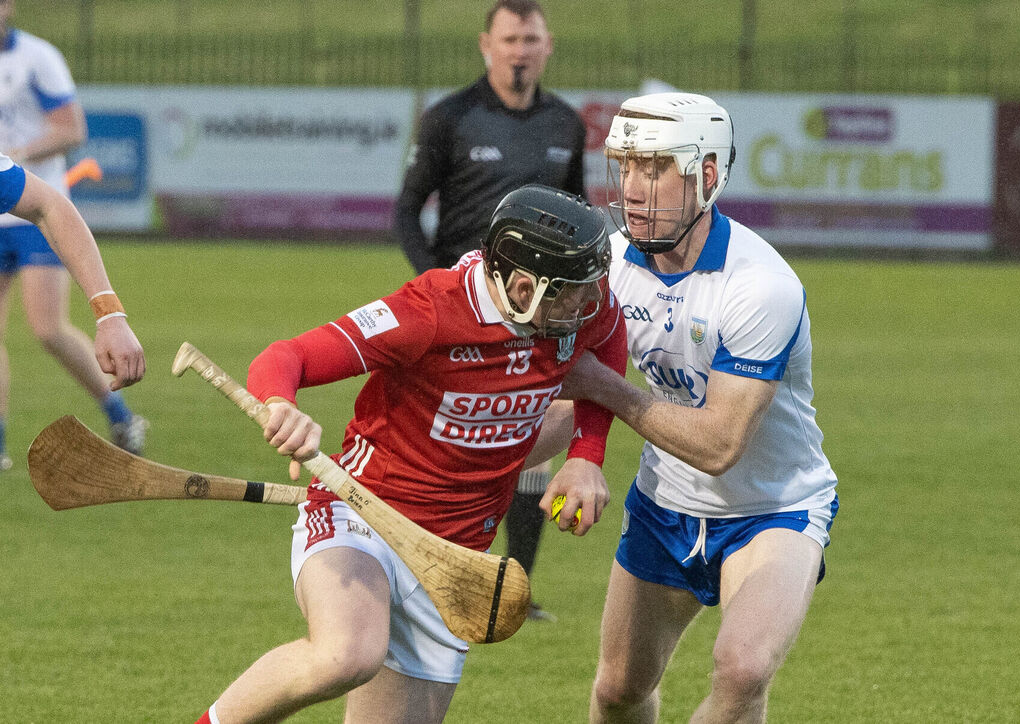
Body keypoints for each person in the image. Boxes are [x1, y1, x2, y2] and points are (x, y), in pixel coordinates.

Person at [193, 185, 626, 724]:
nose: (590, 303)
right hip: (360, 514)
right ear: (523, 285)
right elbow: (289, 356)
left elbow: (610, 342)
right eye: (575, 294)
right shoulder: (428, 312)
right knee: (346, 653)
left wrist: (587, 453)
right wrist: (281, 405)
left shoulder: (586, 306)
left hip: (456, 558)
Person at [542, 92, 841, 723]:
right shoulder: (610, 269)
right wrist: (457, 467)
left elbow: (719, 445)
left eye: (655, 168)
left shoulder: (760, 285)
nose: (634, 189)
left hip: (774, 509)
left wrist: (607, 388)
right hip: (664, 509)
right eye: (625, 167)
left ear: (706, 175)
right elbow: (564, 402)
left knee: (744, 669)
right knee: (618, 690)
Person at [392, 0, 587, 621]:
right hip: (462, 310)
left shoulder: (566, 124)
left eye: (531, 39)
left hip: (539, 316)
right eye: (510, 39)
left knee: (541, 427)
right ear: (487, 45)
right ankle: (427, 567)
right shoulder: (450, 117)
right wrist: (436, 287)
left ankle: (515, 586)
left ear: (547, 46)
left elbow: (578, 213)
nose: (520, 50)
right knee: (455, 436)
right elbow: (406, 210)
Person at [0, 0, 146, 471]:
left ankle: (120, 415)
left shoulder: (36, 58)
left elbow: (71, 129)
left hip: (30, 210)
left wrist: (19, 153)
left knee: (47, 329)